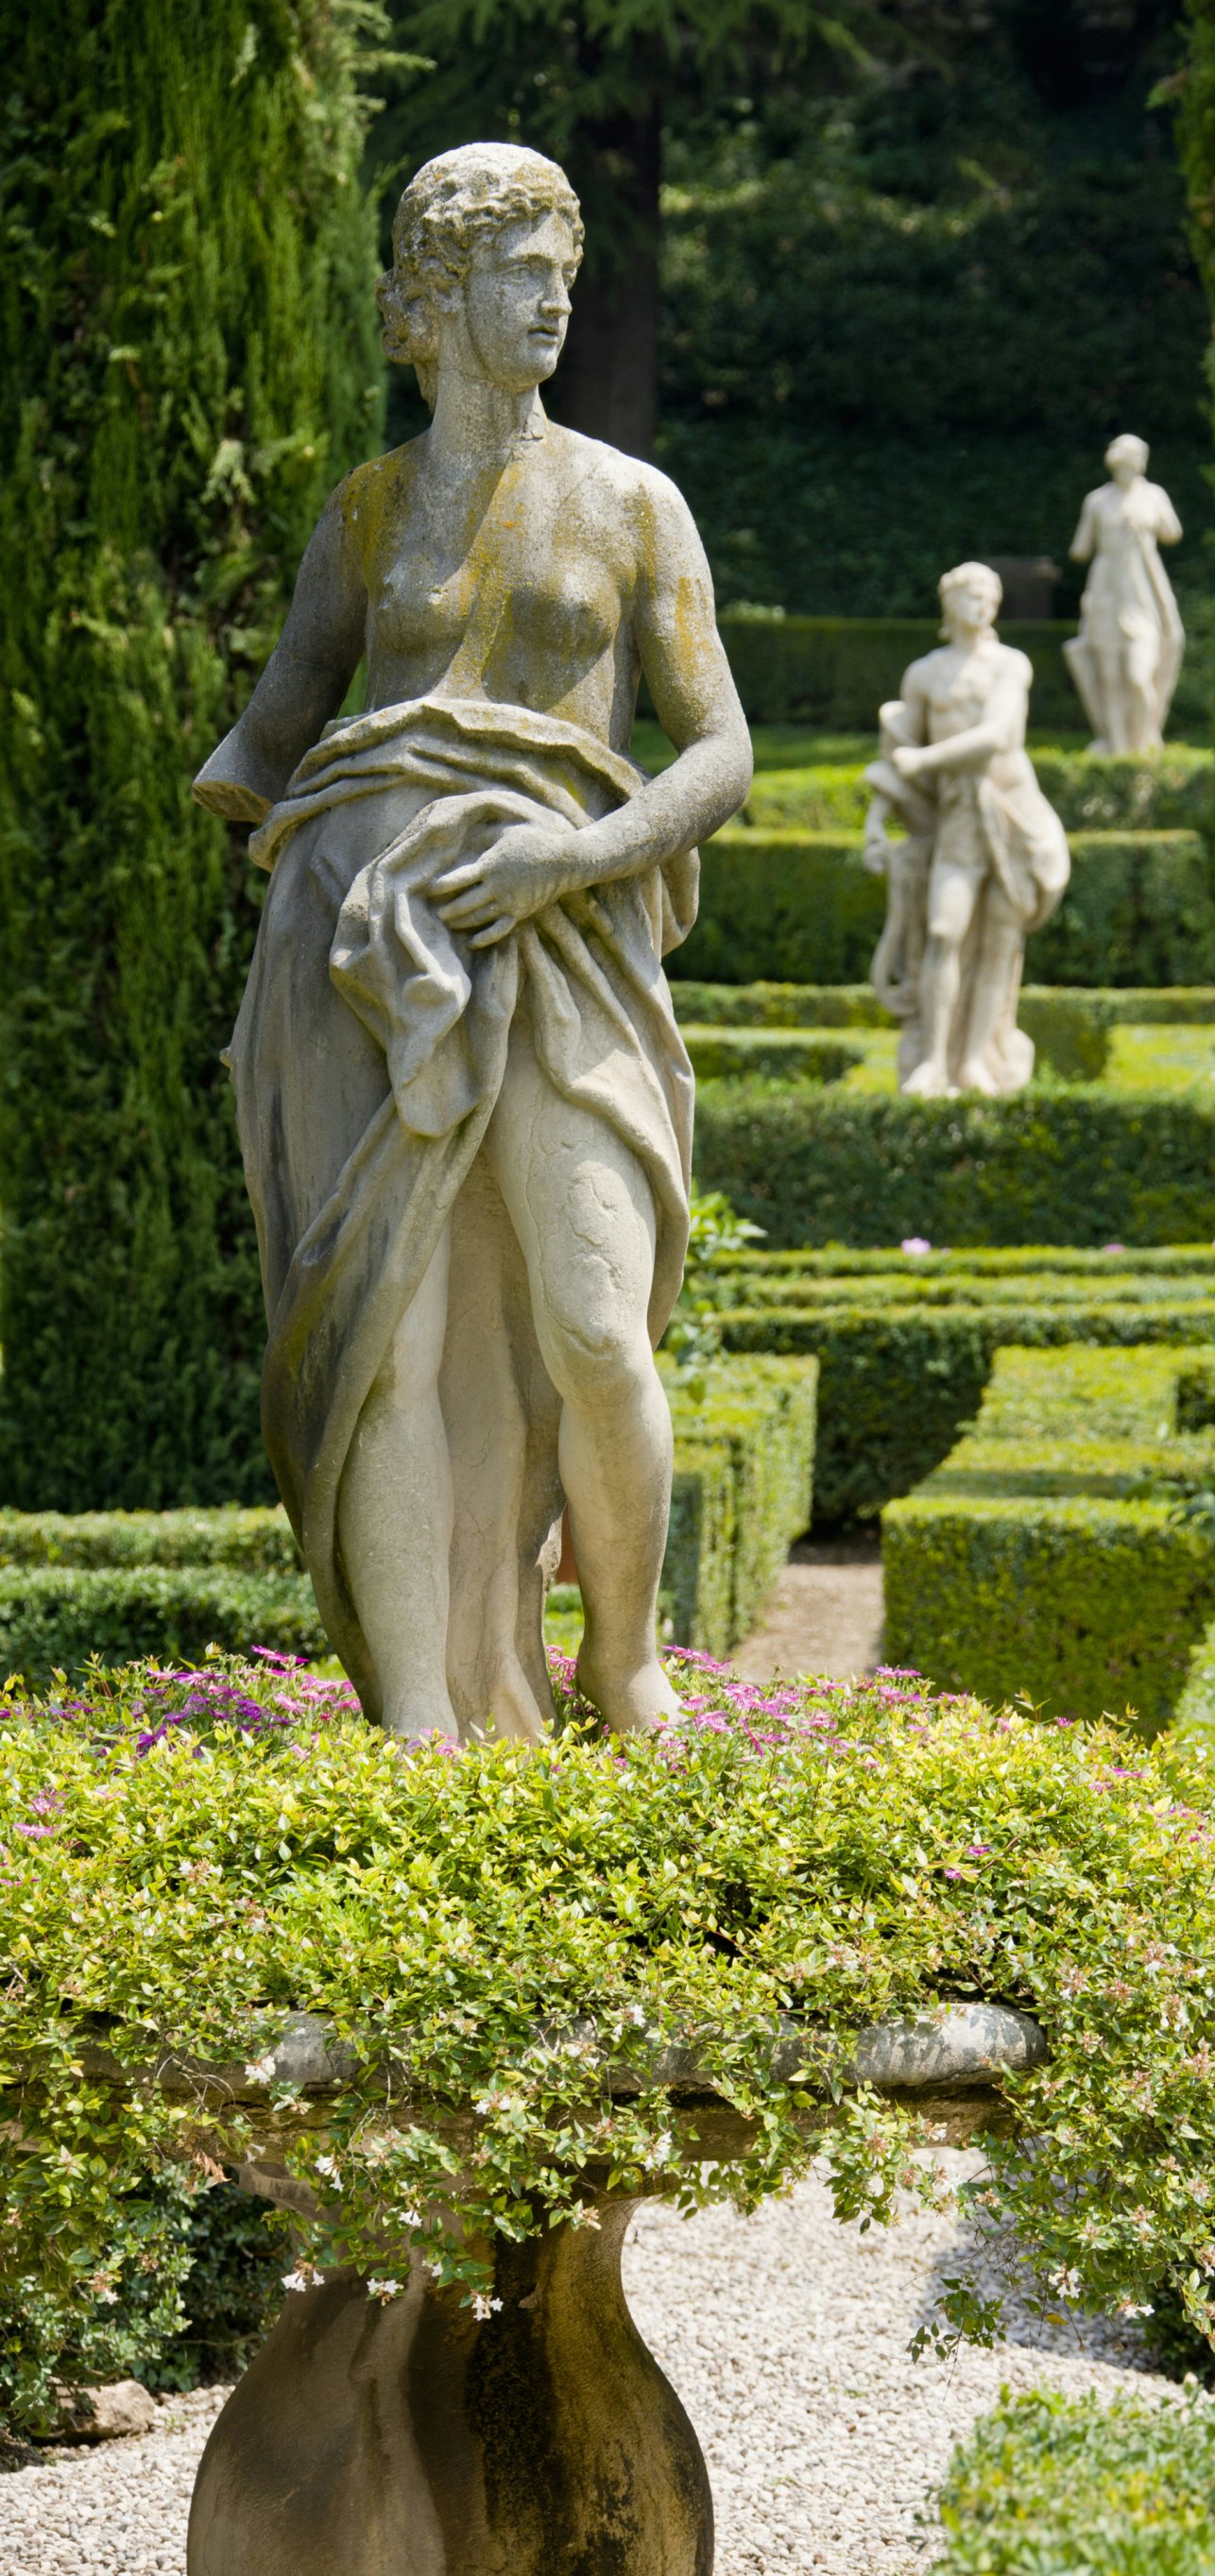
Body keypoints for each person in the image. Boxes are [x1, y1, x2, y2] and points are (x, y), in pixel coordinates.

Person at [192, 144, 751, 1745]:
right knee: (388, 1336)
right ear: (428, 307)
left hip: (563, 928)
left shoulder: (632, 503)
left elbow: (719, 750)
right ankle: (422, 1719)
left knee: (595, 1322)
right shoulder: (368, 511)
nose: (553, 299)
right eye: (519, 272)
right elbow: (268, 739)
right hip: (373, 951)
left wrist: (582, 847)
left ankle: (622, 1655)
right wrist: (320, 870)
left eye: (562, 271)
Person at [863, 563, 1069, 1098]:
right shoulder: (924, 673)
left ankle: (976, 1059)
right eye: (971, 594)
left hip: (1012, 811)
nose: (982, 602)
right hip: (957, 817)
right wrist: (875, 822)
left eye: (989, 595)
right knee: (943, 930)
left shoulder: (1010, 665)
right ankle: (934, 1060)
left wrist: (924, 759)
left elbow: (996, 735)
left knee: (1000, 940)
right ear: (948, 603)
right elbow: (897, 755)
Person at [1065, 434, 1184, 754]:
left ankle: (1144, 741)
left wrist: (1144, 525)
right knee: (1110, 680)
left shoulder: (1154, 495)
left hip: (1143, 592)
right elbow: (1080, 549)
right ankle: (1117, 748)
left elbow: (1173, 533)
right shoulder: (1097, 500)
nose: (1128, 470)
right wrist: (1111, 532)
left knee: (1138, 677)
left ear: (1141, 465)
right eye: (1122, 464)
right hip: (1105, 592)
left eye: (1133, 463)